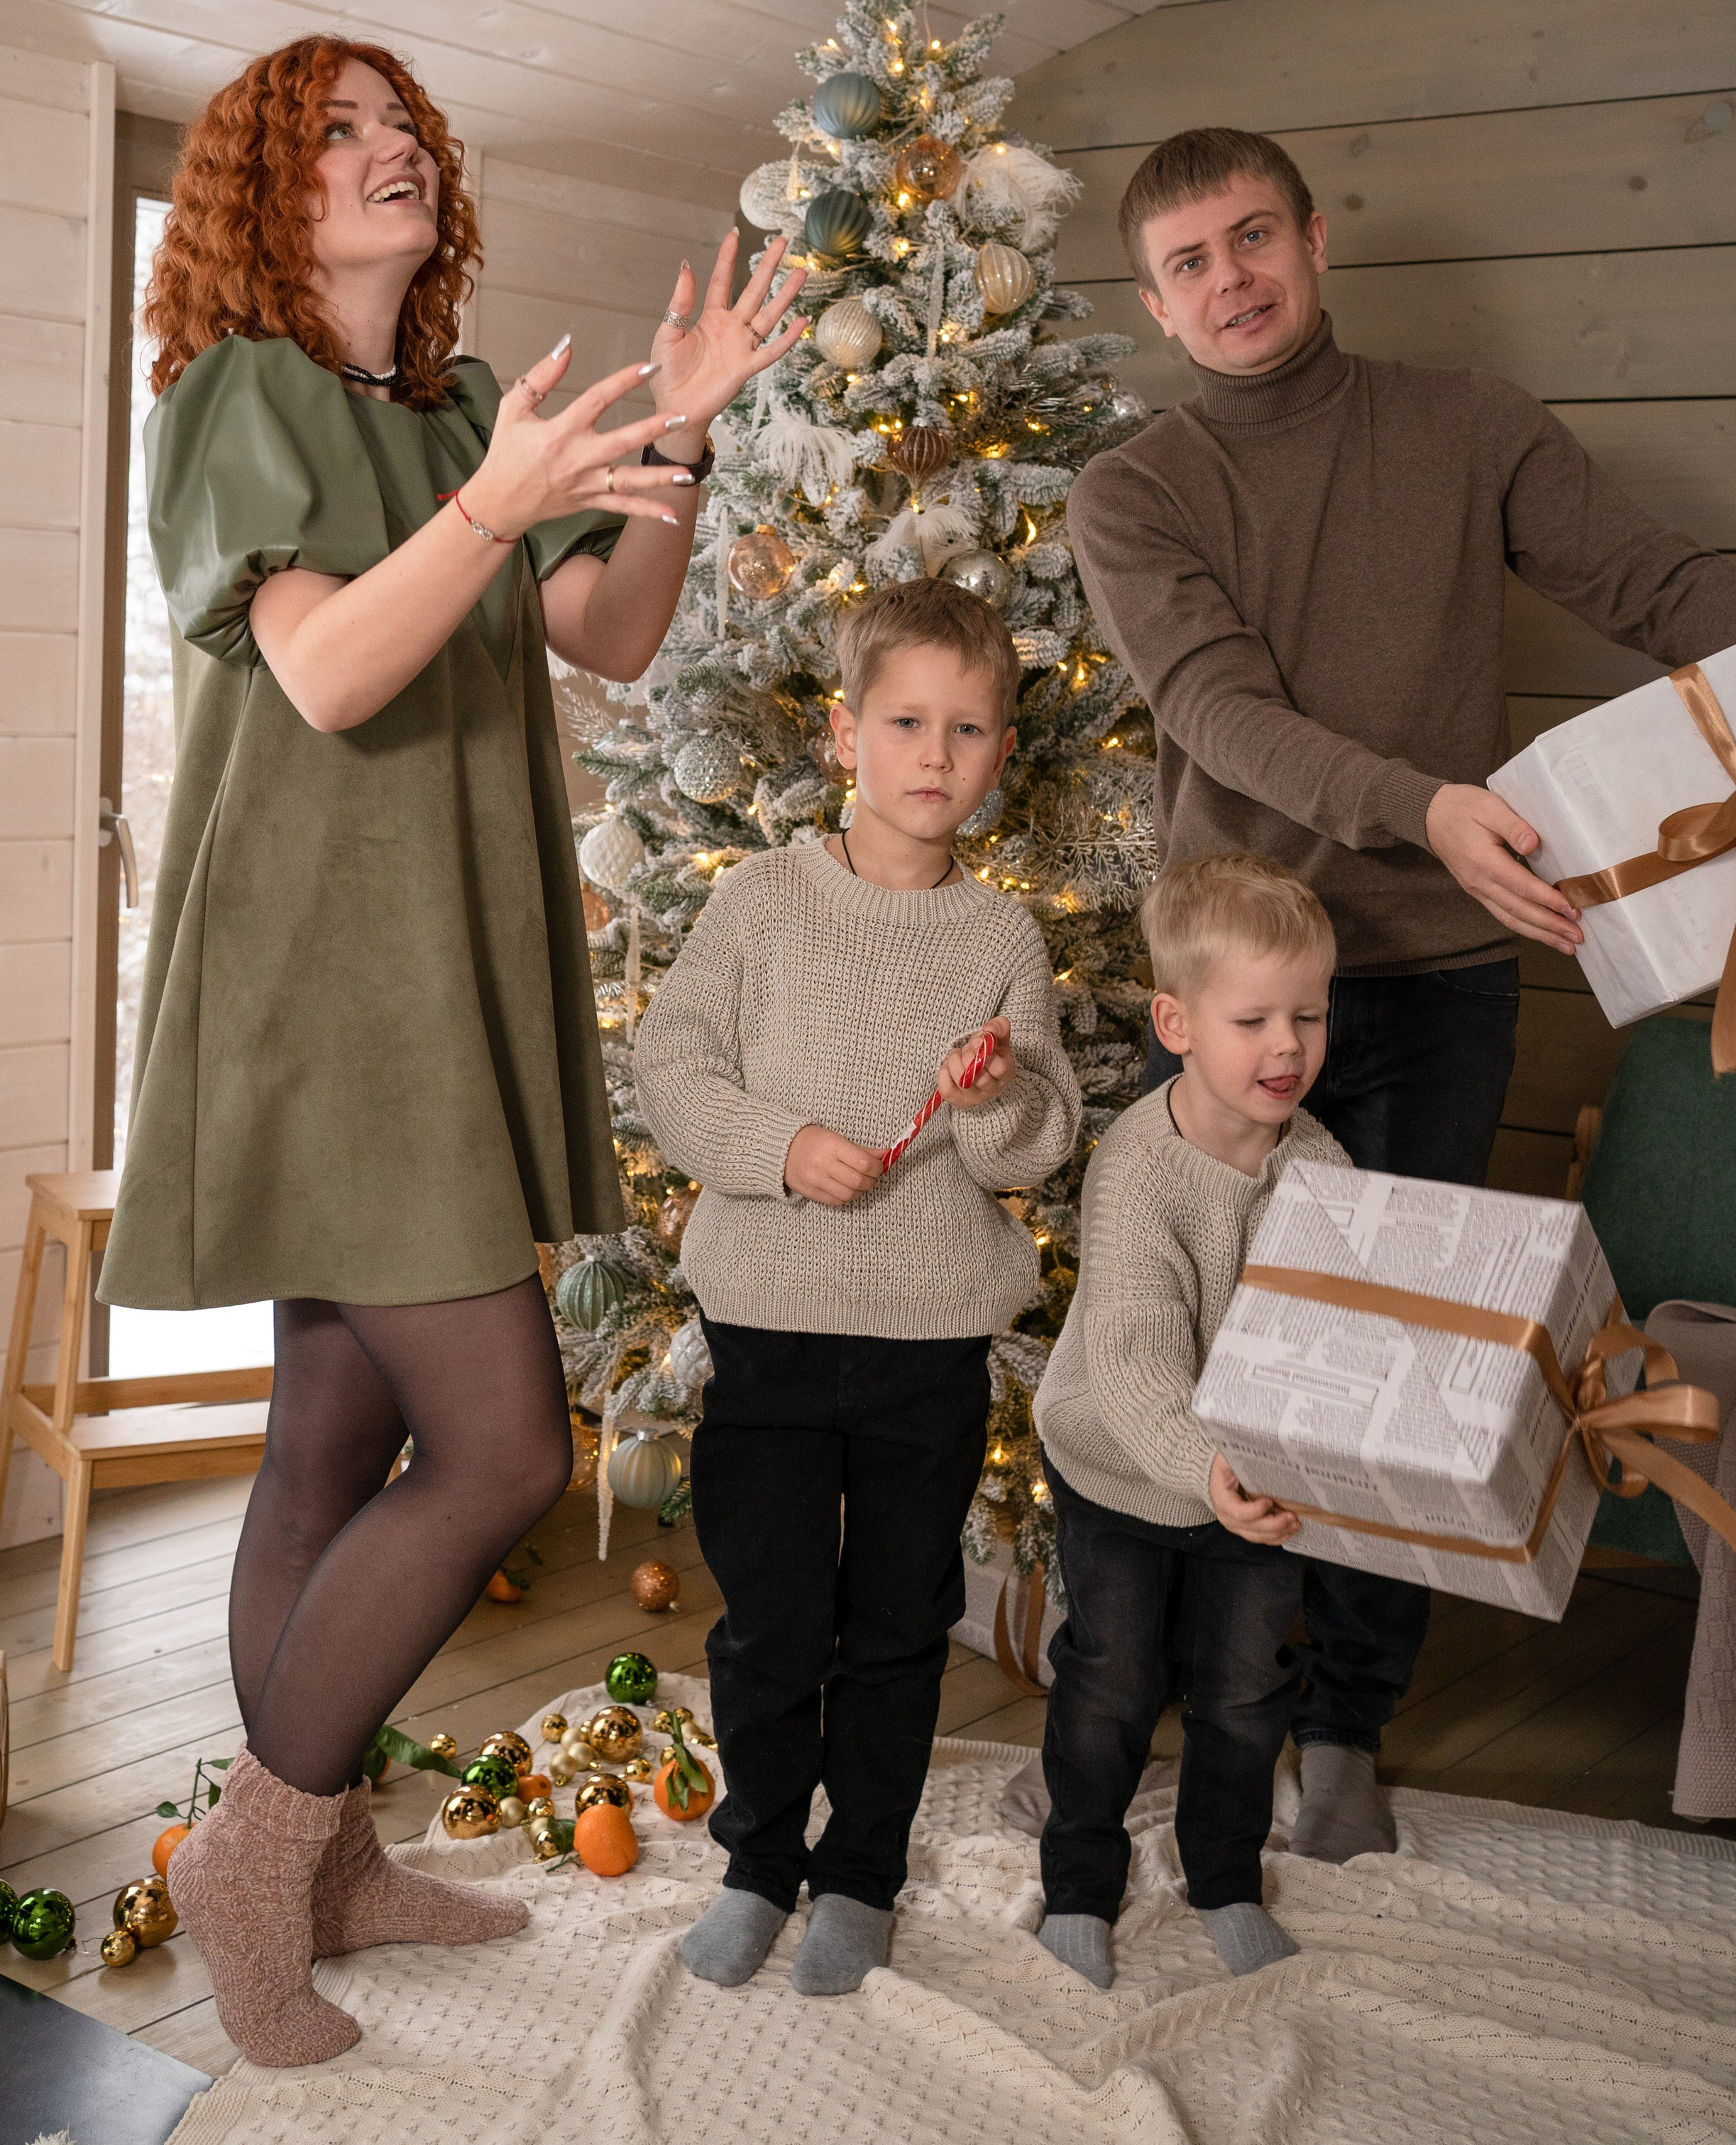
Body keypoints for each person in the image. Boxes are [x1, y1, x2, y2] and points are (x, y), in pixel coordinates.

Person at [97, 35, 804, 2068]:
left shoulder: (478, 409)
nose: (392, 152)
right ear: (257, 191)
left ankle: (320, 1861)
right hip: (329, 987)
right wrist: (493, 512)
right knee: (504, 1447)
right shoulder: (232, 395)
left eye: (405, 128)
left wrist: (670, 446)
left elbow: (617, 637)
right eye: (341, 134)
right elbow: (321, 671)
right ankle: (264, 1846)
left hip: (442, 967)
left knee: (328, 1429)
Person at [1066, 124, 1736, 1864]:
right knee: (1225, 1359)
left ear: (1310, 239)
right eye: (1189, 263)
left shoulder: (1469, 425)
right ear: (1153, 302)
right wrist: (1425, 806)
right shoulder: (1133, 491)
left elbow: (1655, 587)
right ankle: (1182, 1698)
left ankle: (1341, 1730)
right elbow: (1218, 715)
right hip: (1236, 988)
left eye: (1252, 237)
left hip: (1437, 981)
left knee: (1401, 1374)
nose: (1230, 280)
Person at [634, 577, 1082, 1997]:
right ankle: (761, 1861)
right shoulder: (765, 903)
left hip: (923, 1345)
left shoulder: (999, 940)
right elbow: (672, 1067)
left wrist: (1002, 1092)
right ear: (843, 737)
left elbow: (1038, 1144)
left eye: (964, 729)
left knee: (895, 1625)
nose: (932, 756)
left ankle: (860, 1876)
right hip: (766, 1335)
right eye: (903, 722)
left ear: (999, 753)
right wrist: (775, 1147)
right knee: (771, 1624)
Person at [1034, 854, 1346, 1989]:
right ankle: (1078, 1879)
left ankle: (1222, 1876)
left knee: (1247, 1682)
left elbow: (1332, 1331)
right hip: (1124, 1465)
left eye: (1308, 1014)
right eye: (1254, 1017)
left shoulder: (1320, 1162)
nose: (1288, 1047)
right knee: (1113, 1676)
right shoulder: (1140, 1168)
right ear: (1176, 1022)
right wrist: (1201, 1466)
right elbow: (1129, 1355)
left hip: (1254, 1486)